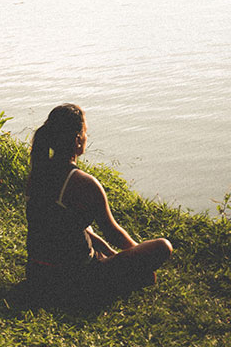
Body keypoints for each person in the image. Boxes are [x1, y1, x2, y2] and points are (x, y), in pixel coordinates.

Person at [25, 103, 172, 303]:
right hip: (76, 280)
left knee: (78, 221)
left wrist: (111, 253)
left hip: (37, 275)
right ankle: (122, 276)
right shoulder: (84, 183)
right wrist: (138, 255)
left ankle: (117, 267)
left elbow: (70, 227)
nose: (87, 137)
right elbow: (113, 232)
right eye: (86, 132)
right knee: (163, 246)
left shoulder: (38, 175)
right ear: (77, 140)